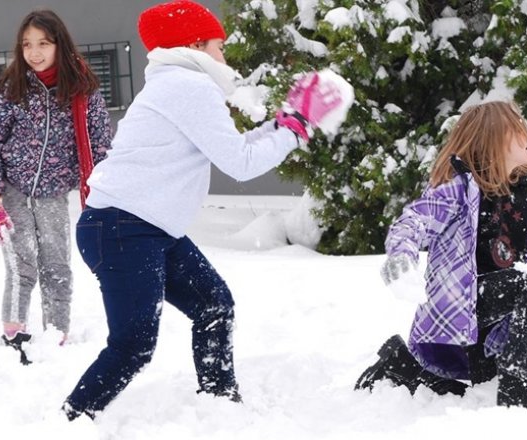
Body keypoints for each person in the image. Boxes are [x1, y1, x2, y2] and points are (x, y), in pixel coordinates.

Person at [61, 0, 343, 420]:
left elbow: (236, 148)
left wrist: (285, 122)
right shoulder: (187, 87)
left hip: (144, 227)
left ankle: (218, 406)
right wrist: (295, 128)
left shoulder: (177, 85)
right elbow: (242, 164)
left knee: (214, 305)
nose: (223, 55)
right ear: (195, 45)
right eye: (218, 46)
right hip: (123, 227)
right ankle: (70, 418)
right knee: (133, 344)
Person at [354, 101, 527, 407]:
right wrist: (402, 254)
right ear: (492, 140)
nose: (526, 136)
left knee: (466, 394)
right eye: (516, 131)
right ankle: (518, 381)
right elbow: (415, 221)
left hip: (497, 320)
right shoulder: (459, 189)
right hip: (462, 302)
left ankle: (400, 365)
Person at [0, 9, 112, 364]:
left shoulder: (83, 90)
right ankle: (15, 338)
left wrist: (105, 198)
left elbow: (100, 147)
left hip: (53, 194)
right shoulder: (10, 88)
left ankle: (56, 338)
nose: (34, 53)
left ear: (59, 46)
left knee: (57, 266)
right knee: (22, 266)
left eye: (43, 44)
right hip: (13, 191)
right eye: (27, 45)